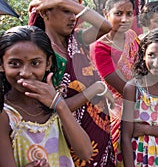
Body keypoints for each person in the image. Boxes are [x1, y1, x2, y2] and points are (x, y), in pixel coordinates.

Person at [28, 0, 116, 167]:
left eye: (75, 11)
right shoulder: (43, 55)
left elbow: (106, 26)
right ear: (45, 14)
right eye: (66, 11)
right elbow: (54, 106)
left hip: (98, 135)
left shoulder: (77, 39)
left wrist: (62, 2)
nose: (73, 17)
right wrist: (95, 90)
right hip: (71, 141)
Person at [0, 25, 93, 167]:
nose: (25, 72)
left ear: (48, 63)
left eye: (35, 63)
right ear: (1, 64)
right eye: (14, 64)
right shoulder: (5, 114)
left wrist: (59, 104)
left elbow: (85, 153)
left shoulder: (53, 104)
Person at [117, 27, 158, 166]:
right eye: (151, 55)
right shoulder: (133, 88)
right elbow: (126, 136)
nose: (156, 62)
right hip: (137, 157)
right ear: (143, 55)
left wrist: (144, 129)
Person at [90, 0, 140, 155]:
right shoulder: (100, 47)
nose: (125, 19)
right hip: (117, 111)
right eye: (118, 13)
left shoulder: (132, 36)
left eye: (129, 14)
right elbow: (119, 86)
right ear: (106, 13)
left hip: (142, 105)